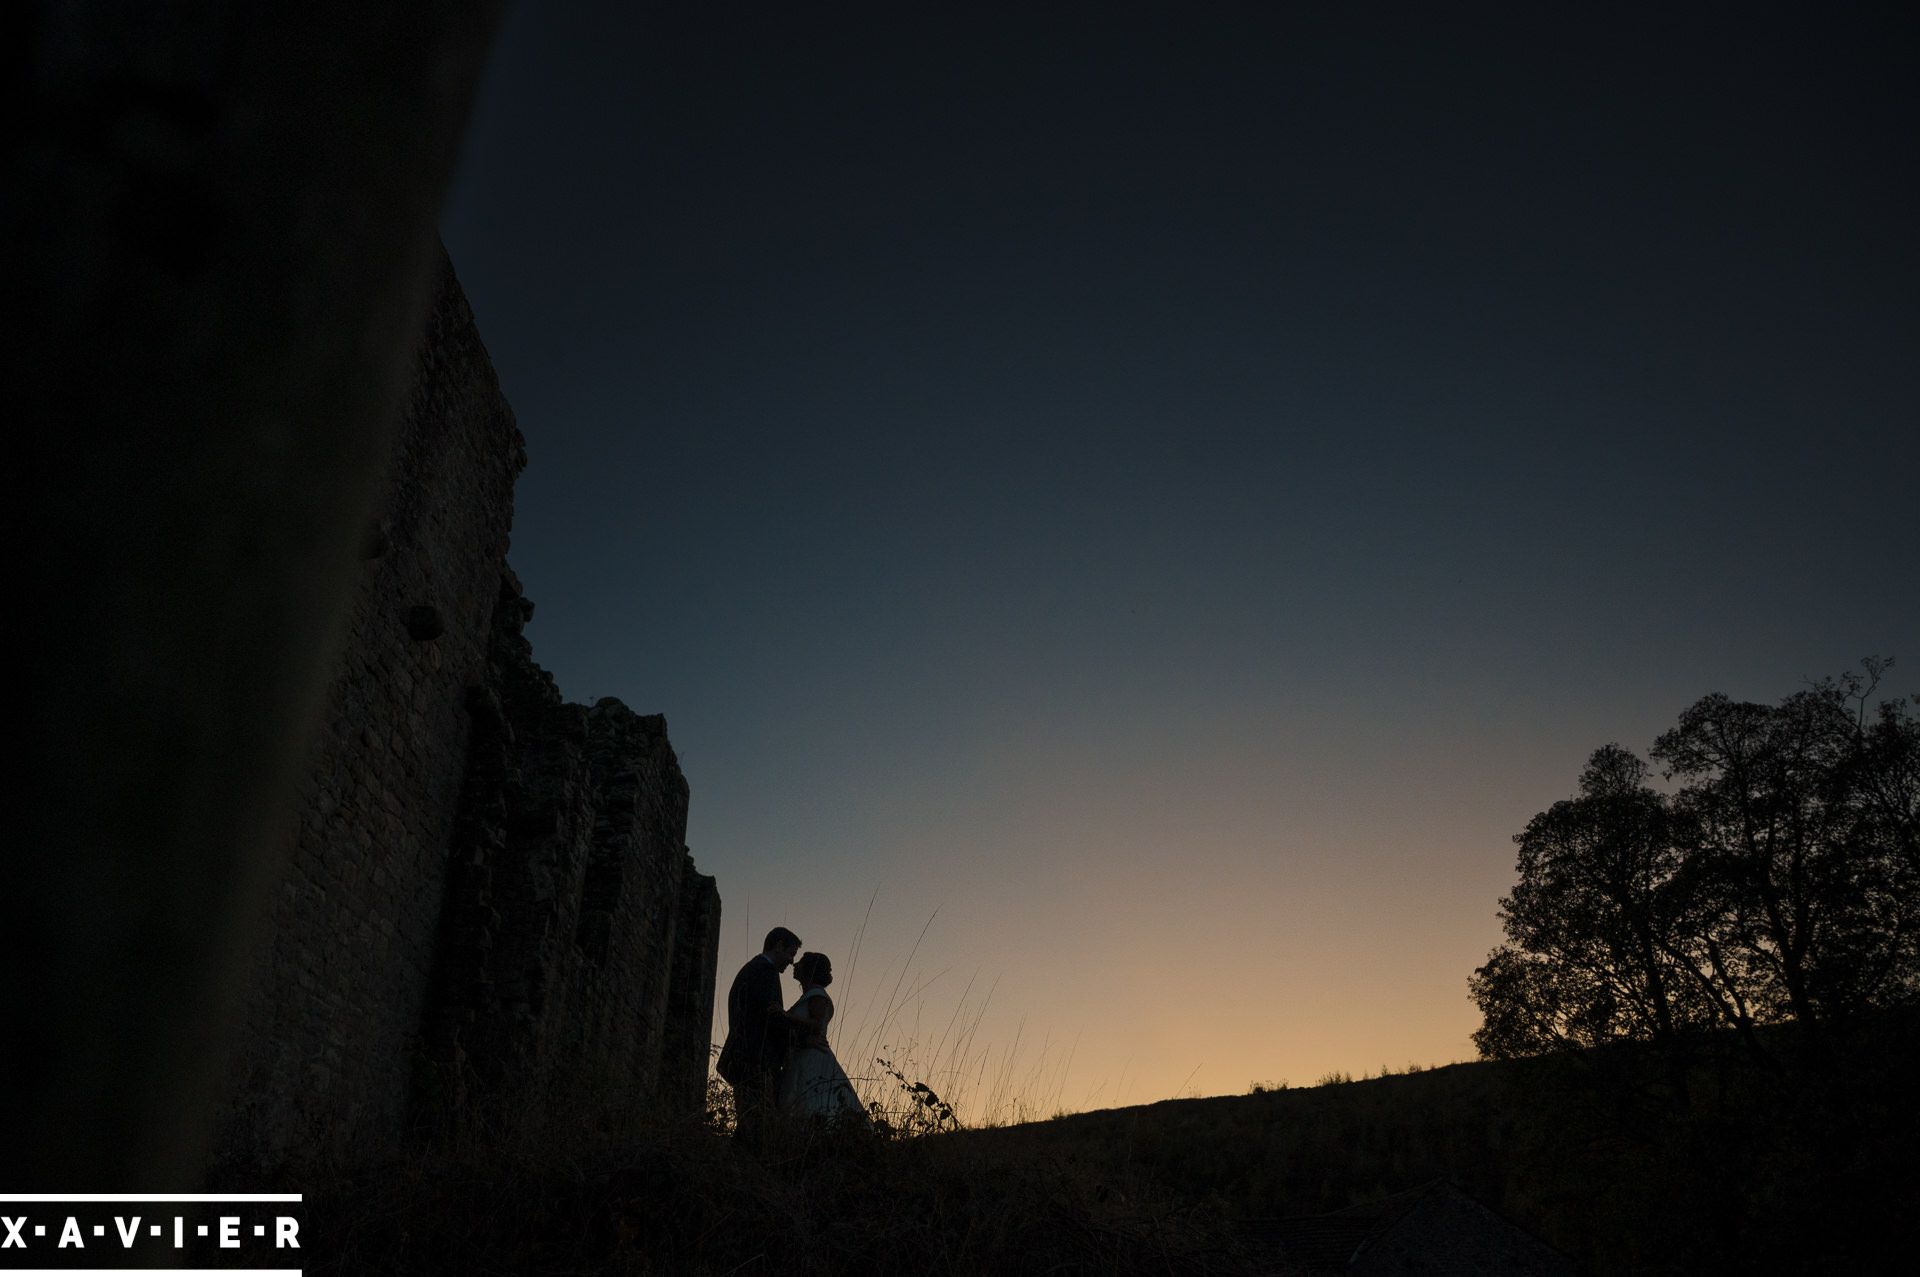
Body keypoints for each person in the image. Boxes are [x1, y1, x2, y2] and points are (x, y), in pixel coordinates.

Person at [717, 926, 801, 1142]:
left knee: (750, 1124)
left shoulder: (751, 970)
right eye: (791, 953)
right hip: (756, 1059)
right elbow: (770, 1018)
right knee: (757, 1129)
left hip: (745, 1057)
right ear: (779, 946)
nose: (792, 961)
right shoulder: (765, 973)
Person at [777, 952, 870, 1127]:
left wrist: (785, 1016)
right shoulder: (810, 995)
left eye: (801, 963)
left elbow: (817, 1025)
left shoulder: (817, 995)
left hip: (811, 1058)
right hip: (801, 1056)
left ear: (809, 970)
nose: (794, 965)